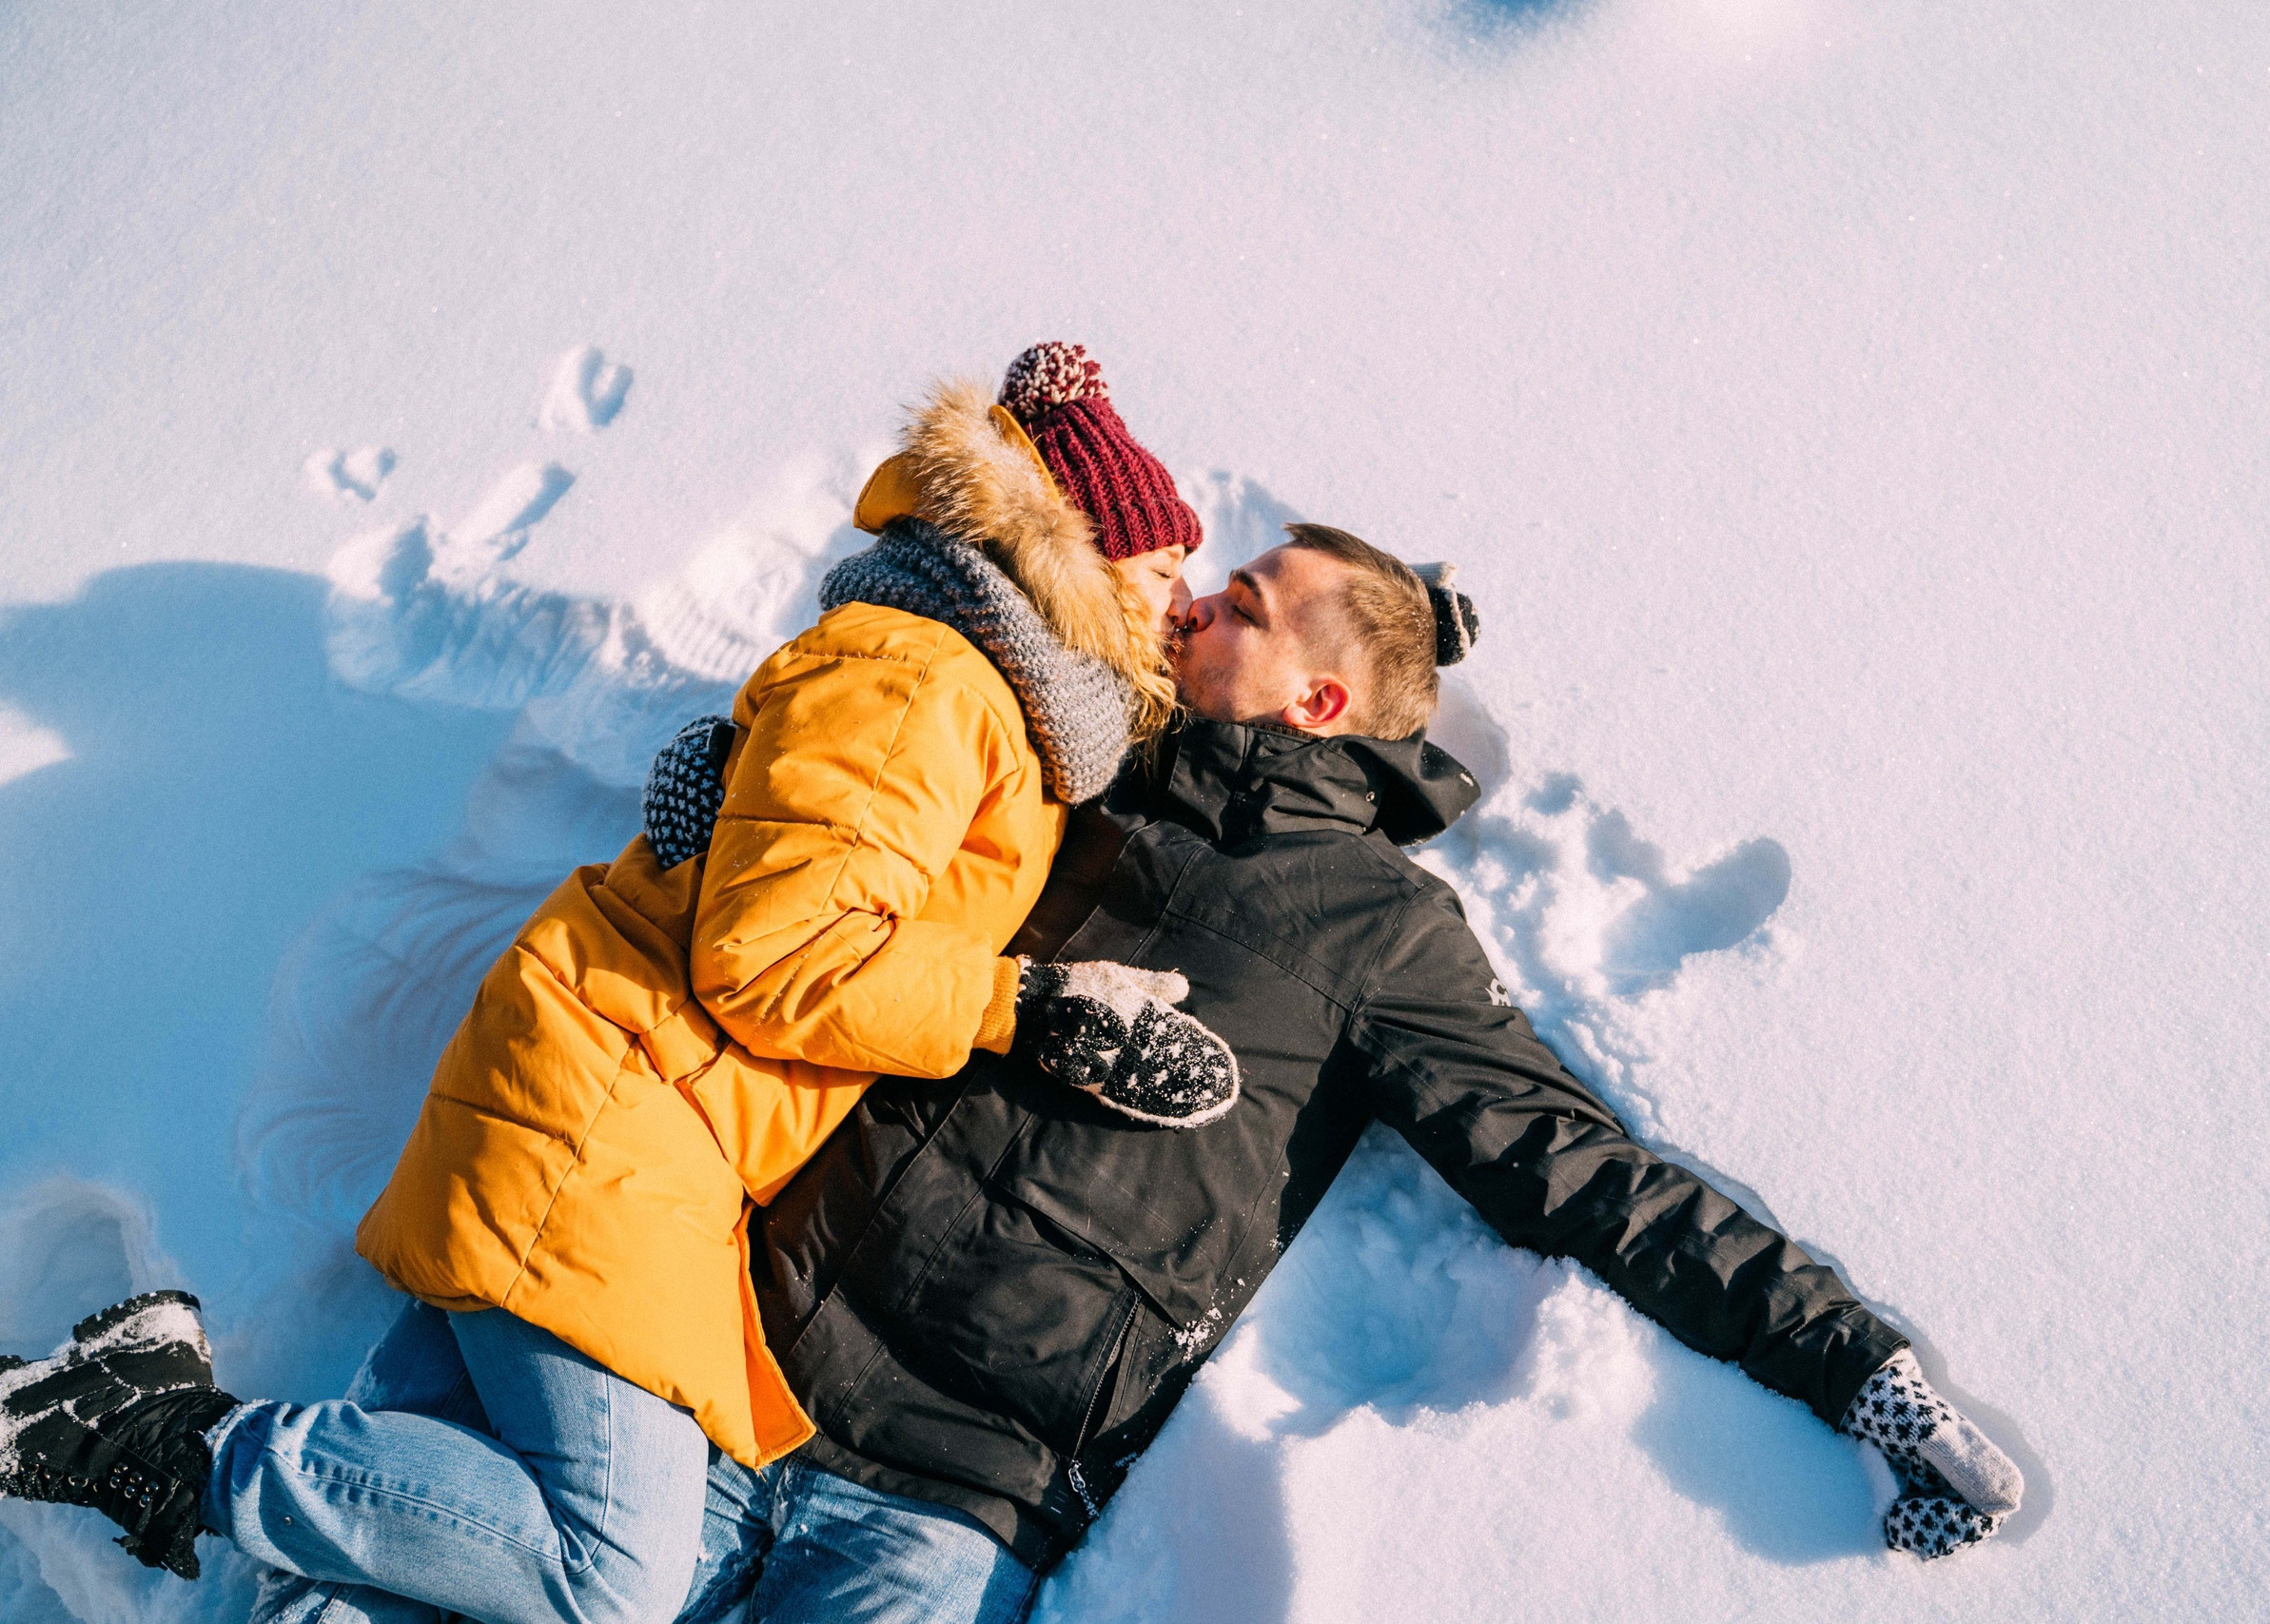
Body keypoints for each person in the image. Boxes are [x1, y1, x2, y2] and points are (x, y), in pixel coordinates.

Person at [0, 342, 1238, 1624]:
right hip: (612, 1122)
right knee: (611, 1580)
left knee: (403, 1581)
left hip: (638, 1117)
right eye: (1157, 569)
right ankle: (165, 1435)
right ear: (1069, 561)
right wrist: (1022, 1006)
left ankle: (161, 1435)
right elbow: (774, 952)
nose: (1179, 601)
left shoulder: (974, 691)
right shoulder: (928, 682)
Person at [660, 525, 2026, 1624]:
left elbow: (1586, 1176)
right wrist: (719, 791)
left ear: (1319, 702)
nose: (1192, 605)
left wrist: (1860, 1371)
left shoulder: (1378, 930)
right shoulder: (1070, 770)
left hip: (952, 1500)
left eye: (1242, 605)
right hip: (719, 1374)